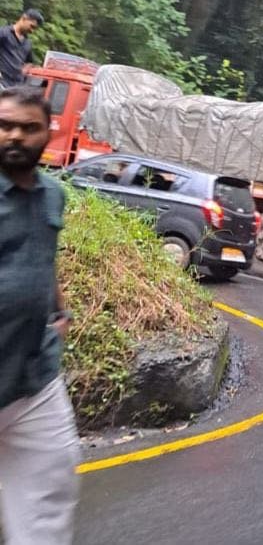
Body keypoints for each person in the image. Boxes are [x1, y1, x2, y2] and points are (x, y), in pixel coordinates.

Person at [0, 85, 79, 545]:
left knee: (49, 497)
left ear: (49, 132)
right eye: (5, 126)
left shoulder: (52, 195)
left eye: (28, 128)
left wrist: (59, 310)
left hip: (34, 379)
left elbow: (44, 255)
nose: (14, 136)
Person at [0, 9, 44, 87]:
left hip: (16, 86)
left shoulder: (27, 43)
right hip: (2, 82)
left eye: (35, 29)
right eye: (32, 26)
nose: (32, 31)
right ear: (24, 18)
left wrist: (27, 68)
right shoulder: (4, 33)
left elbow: (29, 62)